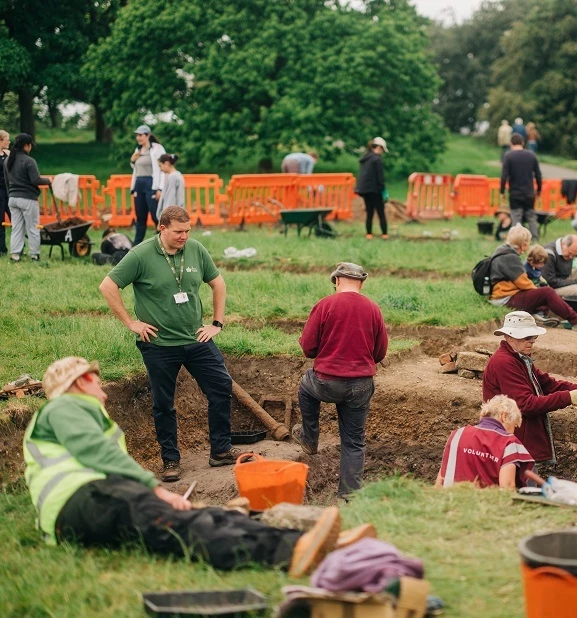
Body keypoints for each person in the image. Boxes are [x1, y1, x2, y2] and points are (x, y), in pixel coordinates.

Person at [23, 356, 347, 576]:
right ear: (81, 382)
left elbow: (106, 464)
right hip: (79, 503)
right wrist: (156, 491)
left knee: (204, 514)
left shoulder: (77, 414)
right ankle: (291, 551)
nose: (104, 392)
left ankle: (301, 539)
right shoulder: (63, 407)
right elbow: (97, 454)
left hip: (92, 500)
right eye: (96, 382)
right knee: (178, 527)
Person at [99, 206, 237, 483]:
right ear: (162, 228)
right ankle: (170, 460)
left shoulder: (196, 249)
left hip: (196, 338)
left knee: (221, 388)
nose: (184, 236)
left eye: (187, 231)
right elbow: (108, 286)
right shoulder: (140, 254)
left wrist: (216, 323)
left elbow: (218, 283)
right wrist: (131, 323)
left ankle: (220, 450)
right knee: (164, 403)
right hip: (159, 345)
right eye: (178, 232)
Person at [292, 262, 388, 499]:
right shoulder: (373, 309)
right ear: (362, 283)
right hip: (361, 386)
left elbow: (308, 348)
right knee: (354, 442)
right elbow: (380, 353)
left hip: (326, 382)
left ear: (336, 281)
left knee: (306, 385)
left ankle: (310, 437)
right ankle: (350, 494)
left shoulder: (325, 305)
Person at [482, 312, 577, 472]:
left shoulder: (519, 358)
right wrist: (567, 398)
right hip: (511, 444)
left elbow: (550, 385)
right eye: (526, 337)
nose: (532, 341)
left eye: (533, 337)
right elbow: (525, 405)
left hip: (519, 441)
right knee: (518, 488)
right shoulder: (505, 362)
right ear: (509, 337)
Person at [488, 225, 577, 333]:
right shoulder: (511, 258)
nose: (527, 246)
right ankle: (576, 320)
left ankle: (538, 311)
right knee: (547, 292)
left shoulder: (502, 250)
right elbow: (524, 284)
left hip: (502, 295)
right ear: (523, 245)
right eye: (528, 243)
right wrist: (540, 294)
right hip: (505, 298)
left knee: (543, 292)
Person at [435, 395, 534, 489]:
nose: (513, 431)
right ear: (504, 416)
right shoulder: (509, 442)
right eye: (514, 426)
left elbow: (441, 478)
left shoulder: (458, 434)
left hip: (450, 501)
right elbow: (507, 486)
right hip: (484, 505)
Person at [4, 133, 50, 262]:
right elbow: (35, 180)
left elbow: (7, 182)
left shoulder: (8, 160)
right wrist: (48, 181)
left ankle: (15, 255)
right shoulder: (29, 161)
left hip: (12, 198)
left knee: (16, 228)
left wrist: (11, 196)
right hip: (28, 199)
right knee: (33, 227)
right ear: (26, 145)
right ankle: (34, 254)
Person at [500, 134, 542, 240]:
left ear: (511, 144)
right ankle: (535, 239)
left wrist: (502, 191)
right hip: (529, 192)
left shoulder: (508, 156)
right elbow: (538, 174)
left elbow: (504, 175)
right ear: (523, 143)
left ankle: (516, 240)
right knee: (531, 216)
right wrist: (539, 189)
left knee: (516, 217)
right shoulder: (531, 155)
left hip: (515, 193)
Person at [130, 125, 166, 245]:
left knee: (156, 216)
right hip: (139, 184)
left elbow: (163, 168)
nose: (138, 138)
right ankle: (136, 245)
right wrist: (132, 160)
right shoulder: (138, 150)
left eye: (141, 135)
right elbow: (136, 168)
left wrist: (160, 188)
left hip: (151, 184)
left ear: (148, 136)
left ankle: (162, 242)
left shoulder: (157, 149)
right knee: (140, 217)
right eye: (137, 135)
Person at [356, 137, 389, 240]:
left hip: (364, 190)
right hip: (375, 190)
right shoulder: (377, 159)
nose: (382, 152)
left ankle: (369, 234)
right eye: (382, 150)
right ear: (379, 147)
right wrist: (383, 190)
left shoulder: (365, 158)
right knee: (380, 212)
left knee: (369, 212)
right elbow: (380, 177)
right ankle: (384, 234)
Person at [157, 153, 185, 221]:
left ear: (166, 163)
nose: (160, 169)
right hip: (178, 213)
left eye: (160, 166)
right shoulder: (178, 175)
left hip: (172, 216)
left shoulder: (172, 177)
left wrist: (165, 217)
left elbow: (170, 198)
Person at [0, 129, 10, 255]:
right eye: (7, 139)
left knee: (16, 218)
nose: (9, 141)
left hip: (8, 190)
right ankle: (2, 249)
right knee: (1, 221)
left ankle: (20, 247)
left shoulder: (8, 154)